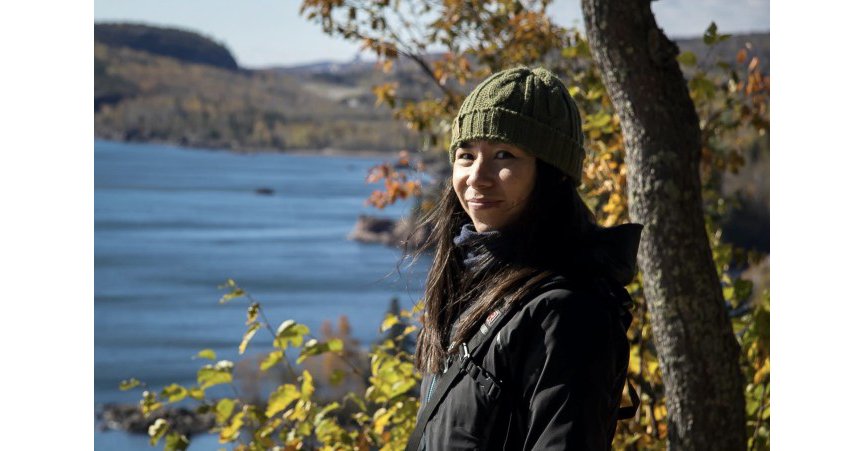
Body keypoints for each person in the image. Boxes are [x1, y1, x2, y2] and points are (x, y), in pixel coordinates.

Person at [408, 66, 643, 450]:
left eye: (504, 154)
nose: (477, 177)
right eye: (466, 156)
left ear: (552, 174)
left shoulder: (567, 313)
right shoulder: (470, 285)